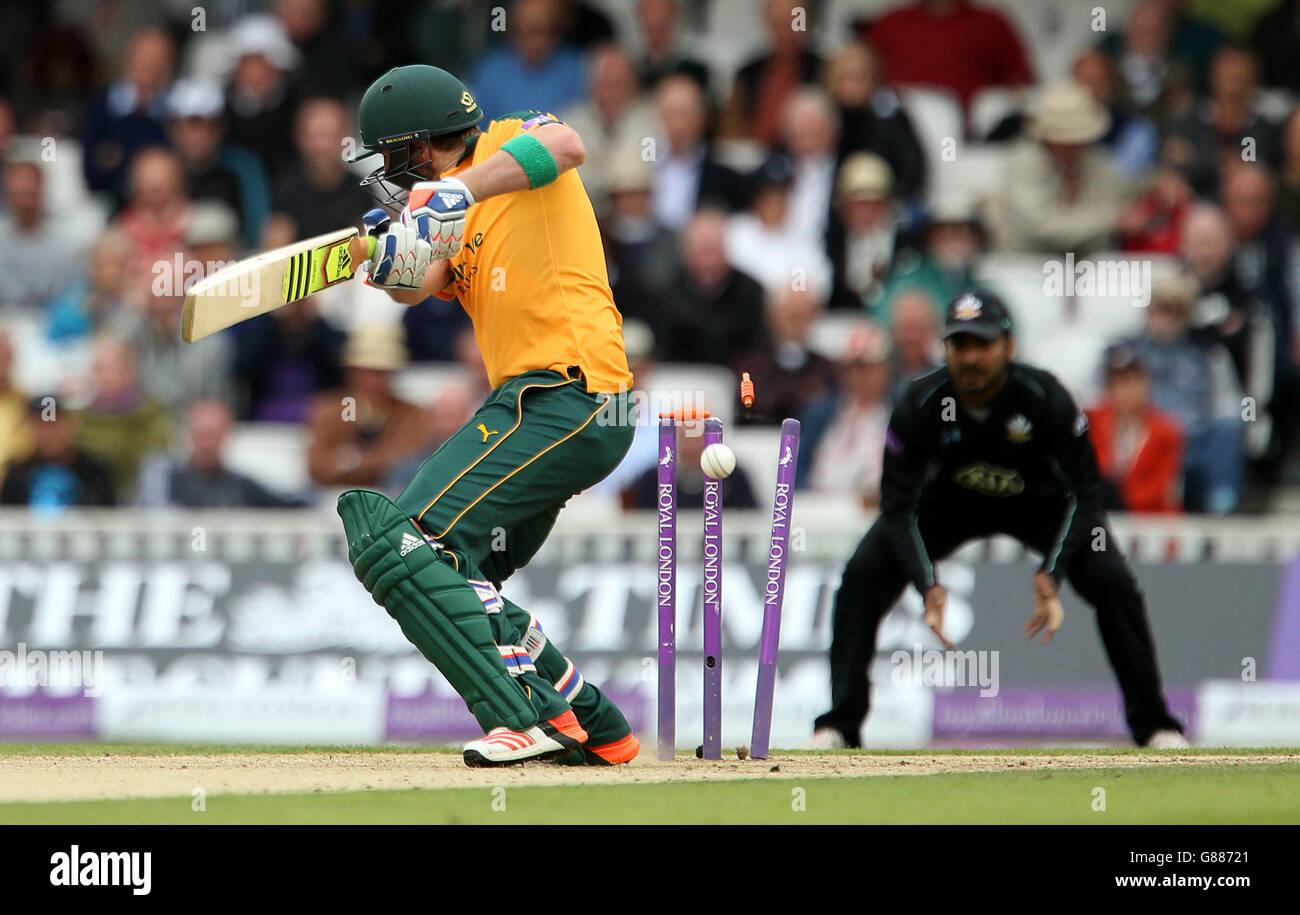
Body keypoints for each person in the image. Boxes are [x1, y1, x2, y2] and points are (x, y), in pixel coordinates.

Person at [344, 64, 639, 767]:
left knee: (403, 538)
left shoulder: (510, 143)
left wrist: (454, 189)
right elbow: (426, 284)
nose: (387, 169)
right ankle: (590, 720)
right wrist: (384, 257)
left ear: (421, 144)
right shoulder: (462, 214)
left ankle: (523, 716)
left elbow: (568, 145)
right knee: (452, 566)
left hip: (568, 391)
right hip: (549, 405)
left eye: (391, 154)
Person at [810, 290, 1186, 750]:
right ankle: (840, 725)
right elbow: (897, 506)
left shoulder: (1043, 396)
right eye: (960, 345)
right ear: (945, 348)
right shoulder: (921, 401)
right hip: (947, 505)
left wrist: (1053, 573)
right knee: (861, 576)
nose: (971, 358)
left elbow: (1087, 493)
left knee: (1113, 582)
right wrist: (926, 582)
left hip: (1040, 506)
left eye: (982, 345)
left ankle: (1155, 724)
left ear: (1008, 346)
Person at [305, 324, 426, 488]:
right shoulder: (329, 411)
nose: (374, 381)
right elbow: (317, 466)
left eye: (382, 372)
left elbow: (402, 461)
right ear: (352, 372)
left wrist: (349, 461)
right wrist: (373, 463)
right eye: (368, 372)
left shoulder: (411, 415)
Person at [137, 399, 309, 509]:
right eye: (200, 435)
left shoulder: (241, 485)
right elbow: (154, 513)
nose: (206, 444)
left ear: (226, 436)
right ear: (187, 436)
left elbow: (287, 501)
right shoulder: (165, 476)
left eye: (212, 436)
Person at [1086, 345, 1184, 513]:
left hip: (1148, 520)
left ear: (1145, 383)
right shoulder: (1092, 422)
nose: (1125, 391)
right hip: (1102, 514)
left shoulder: (1167, 431)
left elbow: (1160, 487)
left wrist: (1122, 501)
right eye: (1117, 383)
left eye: (1131, 381)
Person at [1, 397, 115, 511]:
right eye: (39, 425)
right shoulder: (17, 472)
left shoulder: (93, 472)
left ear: (70, 425)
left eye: (53, 424)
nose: (47, 433)